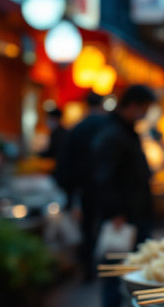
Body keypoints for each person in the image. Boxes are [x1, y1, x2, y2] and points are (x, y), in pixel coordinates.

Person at [92, 85, 157, 307]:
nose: (145, 114)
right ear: (134, 105)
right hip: (124, 219)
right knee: (117, 274)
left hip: (135, 215)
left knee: (127, 273)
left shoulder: (126, 133)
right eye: (144, 109)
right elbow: (101, 178)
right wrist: (115, 212)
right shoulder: (113, 135)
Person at [55, 92, 109, 282]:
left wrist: (70, 194)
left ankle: (88, 268)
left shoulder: (77, 129)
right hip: (106, 187)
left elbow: (66, 163)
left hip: (85, 187)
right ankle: (106, 267)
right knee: (105, 225)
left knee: (87, 226)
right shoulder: (108, 125)